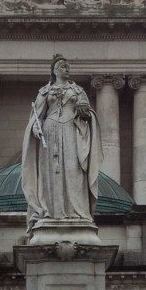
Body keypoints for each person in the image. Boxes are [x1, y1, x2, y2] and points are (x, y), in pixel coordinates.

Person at [21, 54, 103, 229]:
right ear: (55, 70)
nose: (67, 69)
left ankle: (77, 212)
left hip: (72, 132)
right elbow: (37, 116)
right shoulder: (44, 91)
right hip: (50, 133)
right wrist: (36, 127)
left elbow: (87, 114)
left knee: (74, 170)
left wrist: (85, 113)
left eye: (68, 66)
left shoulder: (78, 91)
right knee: (51, 172)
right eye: (63, 66)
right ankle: (52, 211)